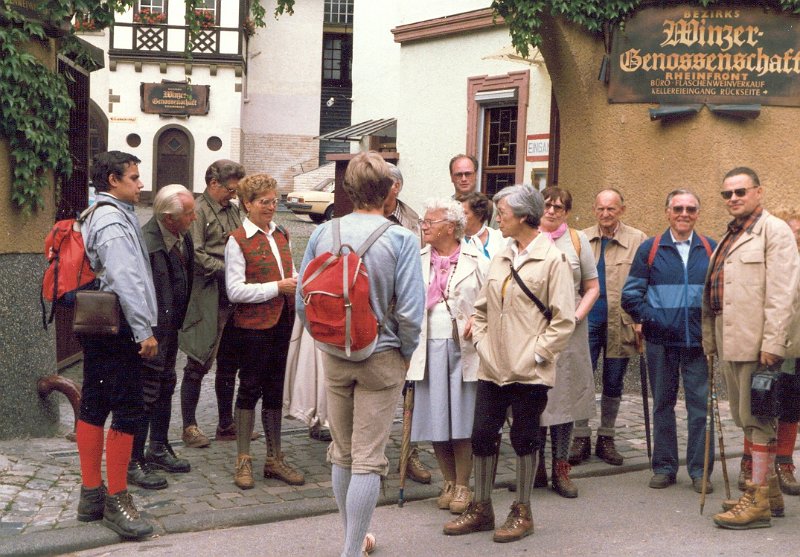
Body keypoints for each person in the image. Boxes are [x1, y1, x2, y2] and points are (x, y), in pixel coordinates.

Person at [296, 151, 425, 557]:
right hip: (382, 355)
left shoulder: (323, 234)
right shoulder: (401, 239)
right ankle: (352, 551)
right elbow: (410, 312)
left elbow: (303, 298)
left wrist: (325, 341)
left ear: (349, 190)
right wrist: (405, 352)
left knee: (343, 452)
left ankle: (353, 538)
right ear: (389, 192)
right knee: (369, 459)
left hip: (334, 352)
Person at [444, 185, 575, 543]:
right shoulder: (503, 254)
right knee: (483, 434)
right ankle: (482, 507)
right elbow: (482, 308)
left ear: (523, 216)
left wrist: (537, 354)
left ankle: (522, 510)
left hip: (529, 369)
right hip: (493, 365)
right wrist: (484, 344)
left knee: (524, 436)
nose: (497, 216)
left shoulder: (553, 260)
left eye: (502, 211)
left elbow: (564, 320)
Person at [704, 167, 800, 529]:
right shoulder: (733, 233)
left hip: (757, 344)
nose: (733, 199)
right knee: (746, 418)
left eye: (740, 192)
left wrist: (773, 343)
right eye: (727, 194)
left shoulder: (773, 232)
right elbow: (715, 293)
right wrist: (711, 341)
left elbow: (783, 293)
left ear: (759, 192)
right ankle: (770, 492)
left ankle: (757, 499)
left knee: (757, 419)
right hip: (732, 341)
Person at [75, 151, 157, 539]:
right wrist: (144, 330)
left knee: (94, 403)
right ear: (113, 180)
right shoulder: (110, 220)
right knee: (127, 409)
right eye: (135, 177)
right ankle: (116, 500)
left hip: (102, 325)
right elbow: (126, 279)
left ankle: (91, 494)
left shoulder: (105, 214)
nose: (141, 184)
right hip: (119, 326)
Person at [621, 189, 717, 493]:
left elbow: (720, 295)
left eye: (690, 208)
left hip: (699, 344)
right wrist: (654, 320)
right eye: (678, 208)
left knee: (700, 409)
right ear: (667, 212)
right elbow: (630, 295)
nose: (684, 214)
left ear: (698, 214)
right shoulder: (650, 249)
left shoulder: (710, 248)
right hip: (661, 342)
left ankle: (700, 471)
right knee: (663, 404)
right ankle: (664, 467)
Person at [407, 198, 488, 517]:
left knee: (462, 420)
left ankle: (465, 484)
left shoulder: (477, 260)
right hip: (427, 349)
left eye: (430, 222)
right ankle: (449, 481)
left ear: (451, 227)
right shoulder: (417, 259)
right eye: (424, 221)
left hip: (463, 350)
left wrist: (476, 320)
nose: (424, 226)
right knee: (436, 419)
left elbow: (492, 302)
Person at [224, 173, 304, 489]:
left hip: (282, 323)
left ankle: (275, 458)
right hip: (252, 328)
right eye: (264, 202)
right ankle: (243, 460)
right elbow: (234, 291)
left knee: (274, 390)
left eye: (274, 201)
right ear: (247, 204)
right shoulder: (237, 240)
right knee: (249, 389)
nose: (271, 207)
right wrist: (277, 287)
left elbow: (291, 272)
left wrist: (297, 283)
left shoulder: (280, 234)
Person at [570, 189, 646, 467]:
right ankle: (580, 436)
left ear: (621, 210)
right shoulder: (579, 239)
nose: (605, 214)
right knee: (582, 378)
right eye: (601, 209)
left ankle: (607, 436)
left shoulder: (637, 240)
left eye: (611, 209)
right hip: (586, 321)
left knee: (614, 381)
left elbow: (644, 280)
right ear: (594, 209)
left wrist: (641, 317)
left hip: (621, 322)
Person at [128, 185, 196, 491]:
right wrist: (147, 333)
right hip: (152, 333)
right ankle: (134, 460)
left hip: (170, 330)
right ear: (169, 218)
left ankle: (158, 447)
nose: (194, 218)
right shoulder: (147, 243)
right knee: (147, 391)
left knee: (166, 384)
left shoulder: (183, 237)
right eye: (189, 213)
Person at [179, 159, 248, 448]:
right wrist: (230, 271)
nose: (234, 195)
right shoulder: (198, 211)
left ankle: (226, 424)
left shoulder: (232, 211)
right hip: (208, 295)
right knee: (198, 362)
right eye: (231, 190)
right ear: (213, 183)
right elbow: (194, 254)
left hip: (232, 298)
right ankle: (189, 426)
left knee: (229, 364)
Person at [537, 187, 599, 498]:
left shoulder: (578, 241)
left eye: (558, 208)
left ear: (567, 212)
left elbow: (592, 287)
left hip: (569, 333)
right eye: (547, 205)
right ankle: (533, 466)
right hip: (532, 329)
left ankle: (561, 467)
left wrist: (575, 317)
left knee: (563, 401)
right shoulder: (526, 237)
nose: (551, 212)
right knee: (533, 397)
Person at [383, 162, 431, 485]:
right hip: (374, 318)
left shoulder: (414, 221)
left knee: (408, 388)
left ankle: (407, 452)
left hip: (404, 316)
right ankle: (374, 456)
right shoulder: (363, 216)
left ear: (395, 188)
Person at [459, 192, 505, 260]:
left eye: (464, 213)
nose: (459, 217)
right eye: (458, 212)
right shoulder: (454, 240)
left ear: (479, 215)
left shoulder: (500, 238)